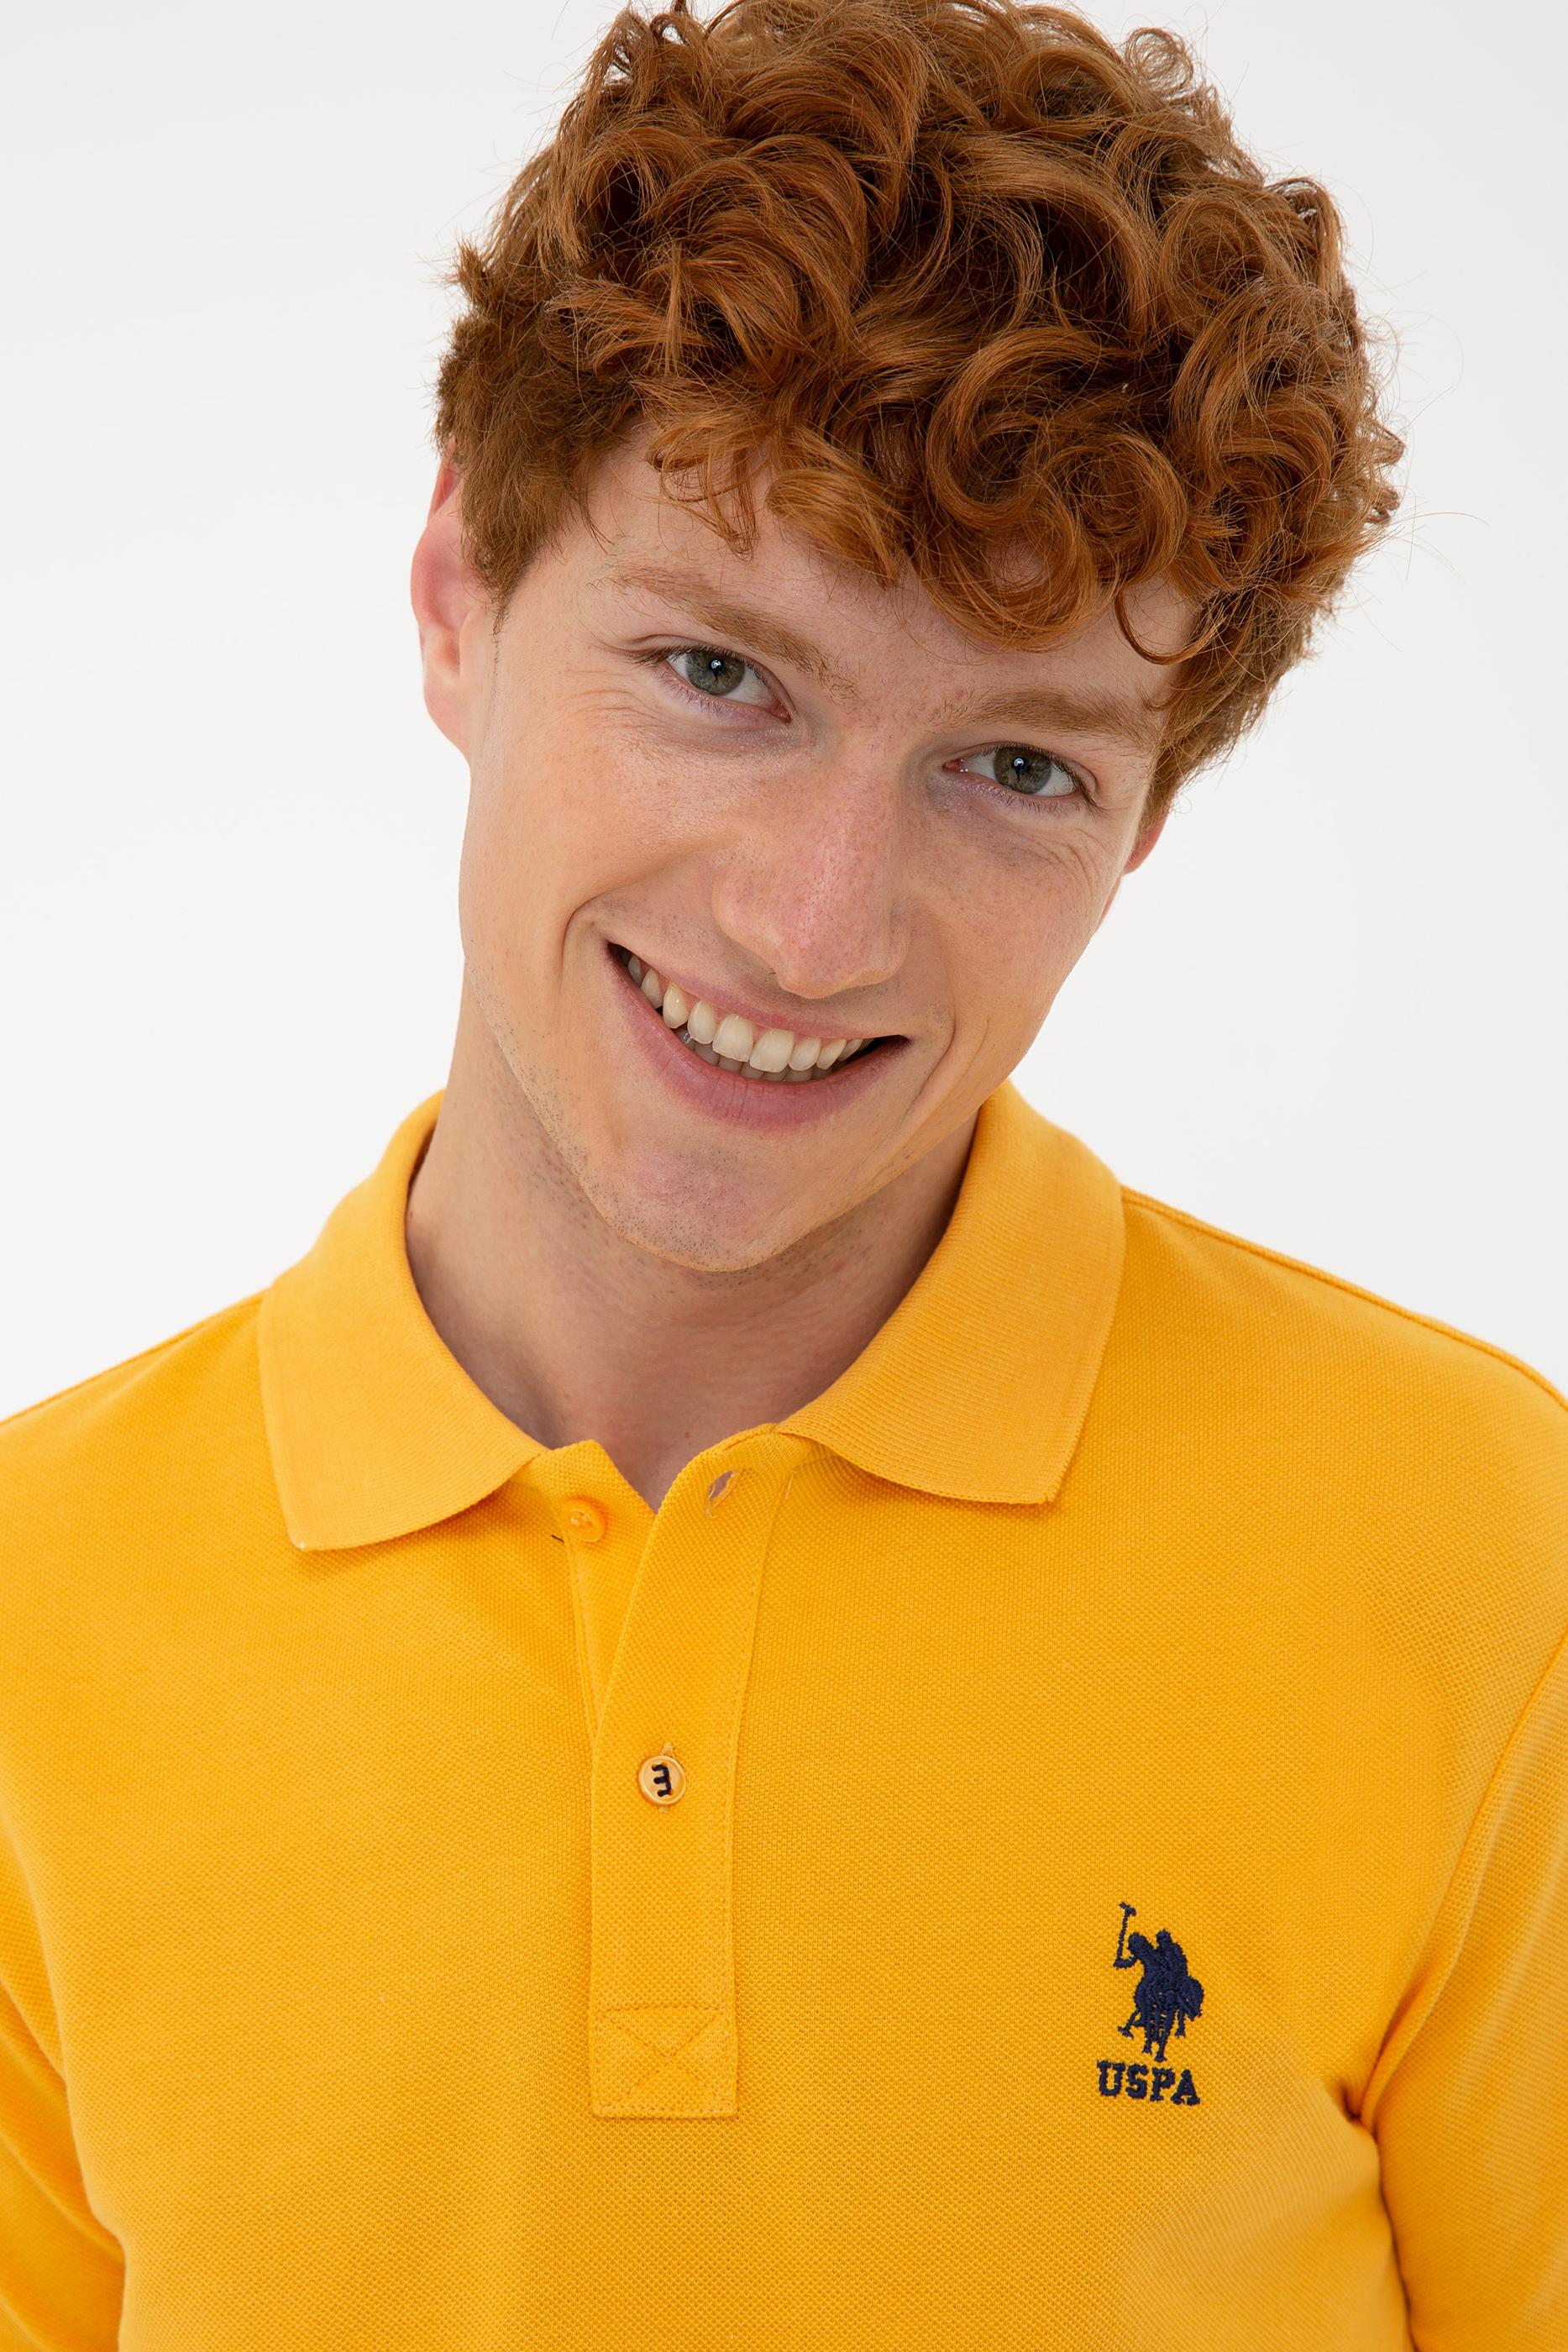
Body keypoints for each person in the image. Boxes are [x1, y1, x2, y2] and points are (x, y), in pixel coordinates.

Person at [2, 2, 1563, 2344]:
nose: (814, 928)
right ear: (457, 591)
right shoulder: (34, 1622)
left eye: (1016, 770)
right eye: (721, 677)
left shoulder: (1480, 1562)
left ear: (1148, 819)